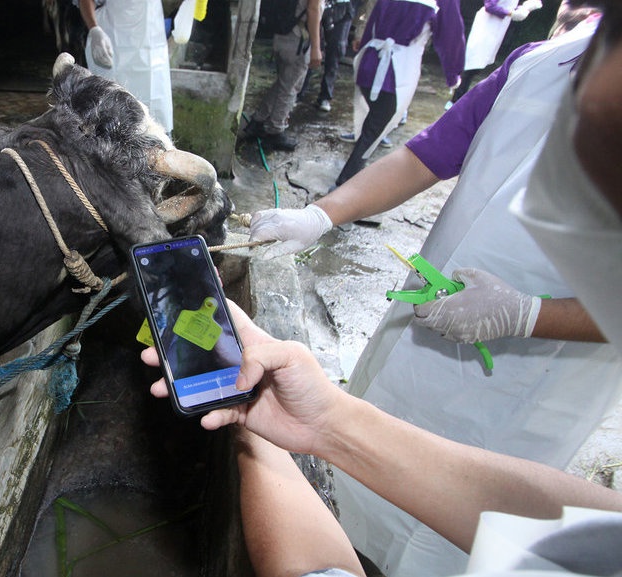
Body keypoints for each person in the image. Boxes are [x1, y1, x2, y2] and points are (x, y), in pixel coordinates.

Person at [140, 10, 622, 570]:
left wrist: (529, 314)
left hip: (531, 378)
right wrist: (319, 215)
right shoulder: (537, 61)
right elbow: (427, 152)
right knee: (360, 474)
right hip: (425, 321)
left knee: (452, 537)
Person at [334, 0, 464, 187]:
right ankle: (344, 183)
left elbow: (373, 21)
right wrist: (453, 75)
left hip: (370, 62)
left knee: (373, 124)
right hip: (396, 72)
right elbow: (451, 36)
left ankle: (351, 175)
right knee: (373, 130)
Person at [78, 0, 174, 132]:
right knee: (112, 122)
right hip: (114, 48)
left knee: (156, 126)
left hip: (152, 52)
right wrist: (94, 29)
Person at [241, 0, 324, 151]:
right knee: (291, 87)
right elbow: (313, 9)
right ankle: (275, 130)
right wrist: (316, 47)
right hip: (297, 40)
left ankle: (258, 120)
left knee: (283, 83)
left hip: (282, 34)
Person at [448, 0, 544, 105]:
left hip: (497, 27)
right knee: (473, 63)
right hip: (487, 25)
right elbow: (490, 6)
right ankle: (455, 100)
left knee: (479, 65)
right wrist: (511, 13)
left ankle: (461, 99)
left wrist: (524, 8)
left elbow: (505, 6)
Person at [300, 0, 359, 112]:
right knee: (313, 45)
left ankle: (325, 96)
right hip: (320, 5)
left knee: (336, 50)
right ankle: (299, 91)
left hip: (344, 6)